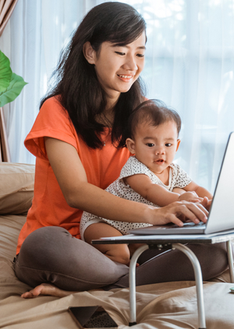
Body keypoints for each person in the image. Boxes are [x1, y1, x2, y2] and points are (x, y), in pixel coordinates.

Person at [14, 2, 228, 298]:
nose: (132, 65)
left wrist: (198, 203)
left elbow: (164, 172)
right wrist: (156, 213)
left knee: (215, 252)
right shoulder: (57, 110)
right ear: (90, 52)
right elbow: (76, 191)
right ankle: (129, 279)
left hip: (129, 240)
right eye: (120, 52)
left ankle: (108, 283)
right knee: (42, 245)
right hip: (71, 243)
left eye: (139, 53)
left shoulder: (143, 114)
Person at [81, 99, 213, 265]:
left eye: (168, 144)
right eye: (150, 144)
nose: (160, 151)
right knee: (119, 252)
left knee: (161, 249)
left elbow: (196, 187)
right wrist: (182, 201)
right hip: (102, 221)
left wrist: (210, 202)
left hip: (132, 228)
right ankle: (114, 269)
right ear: (132, 146)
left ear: (177, 145)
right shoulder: (135, 168)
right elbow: (151, 191)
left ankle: (130, 261)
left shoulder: (175, 170)